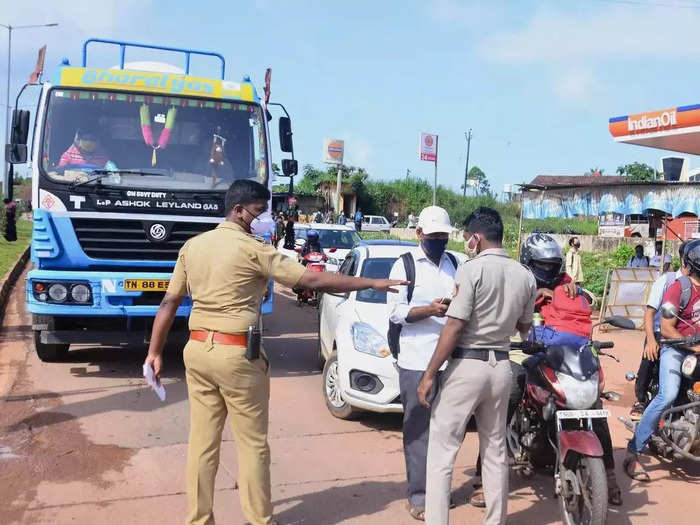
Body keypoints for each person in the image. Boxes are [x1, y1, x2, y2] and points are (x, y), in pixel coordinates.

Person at [143, 180, 406, 525]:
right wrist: (372, 283)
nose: (264, 218)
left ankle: (199, 519)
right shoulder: (253, 250)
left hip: (197, 352)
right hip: (236, 355)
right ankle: (259, 519)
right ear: (238, 210)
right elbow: (310, 281)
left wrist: (154, 352)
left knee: (202, 443)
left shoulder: (193, 248)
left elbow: (169, 301)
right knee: (252, 444)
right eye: (258, 211)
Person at [417, 207, 537, 525]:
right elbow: (525, 329)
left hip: (467, 366)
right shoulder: (525, 275)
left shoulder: (471, 270)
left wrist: (429, 374)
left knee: (443, 450)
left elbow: (454, 326)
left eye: (469, 238)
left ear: (476, 238)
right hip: (501, 367)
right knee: (495, 449)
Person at [387, 206, 458, 522]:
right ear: (419, 235)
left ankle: (440, 490)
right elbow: (395, 313)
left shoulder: (455, 263)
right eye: (433, 237)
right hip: (416, 358)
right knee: (418, 430)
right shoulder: (403, 266)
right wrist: (428, 311)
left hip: (450, 360)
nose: (439, 242)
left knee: (446, 430)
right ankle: (419, 495)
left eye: (443, 237)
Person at [624, 239, 700, 482]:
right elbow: (666, 327)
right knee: (667, 395)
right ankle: (634, 451)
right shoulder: (679, 287)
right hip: (676, 348)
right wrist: (692, 345)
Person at [629, 244, 686, 421]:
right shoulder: (667, 281)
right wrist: (652, 340)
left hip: (684, 335)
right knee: (649, 359)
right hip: (660, 332)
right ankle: (641, 400)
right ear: (684, 261)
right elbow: (649, 312)